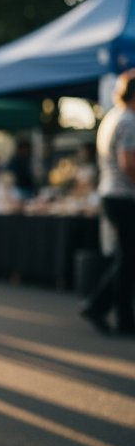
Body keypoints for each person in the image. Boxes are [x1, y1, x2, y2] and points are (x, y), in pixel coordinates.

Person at [80, 70, 135, 337]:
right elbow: (129, 164)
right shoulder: (129, 121)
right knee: (128, 259)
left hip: (111, 193)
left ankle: (103, 308)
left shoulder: (113, 118)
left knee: (126, 257)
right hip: (125, 196)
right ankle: (112, 312)